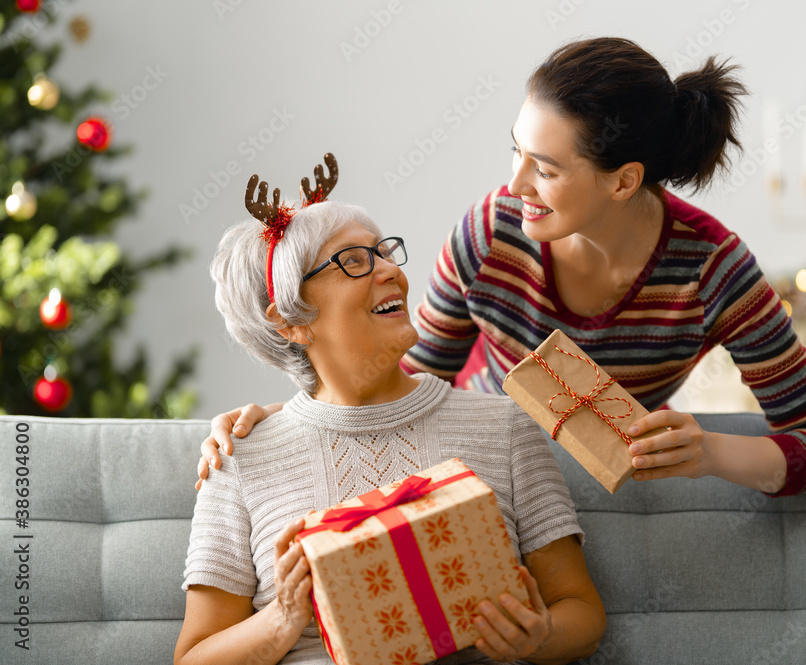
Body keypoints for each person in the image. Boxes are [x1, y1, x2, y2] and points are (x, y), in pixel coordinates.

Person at [199, 37, 806, 499]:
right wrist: (281, 424)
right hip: (473, 480)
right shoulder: (490, 234)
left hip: (599, 498)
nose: (513, 184)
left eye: (545, 168)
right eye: (516, 151)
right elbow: (400, 385)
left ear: (624, 180)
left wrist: (711, 452)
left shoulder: (713, 270)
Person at [175, 160, 605, 665]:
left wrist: (538, 639)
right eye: (353, 261)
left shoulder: (504, 427)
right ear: (291, 321)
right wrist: (283, 619)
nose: (389, 271)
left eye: (383, 252)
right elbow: (193, 658)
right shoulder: (240, 457)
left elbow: (581, 614)